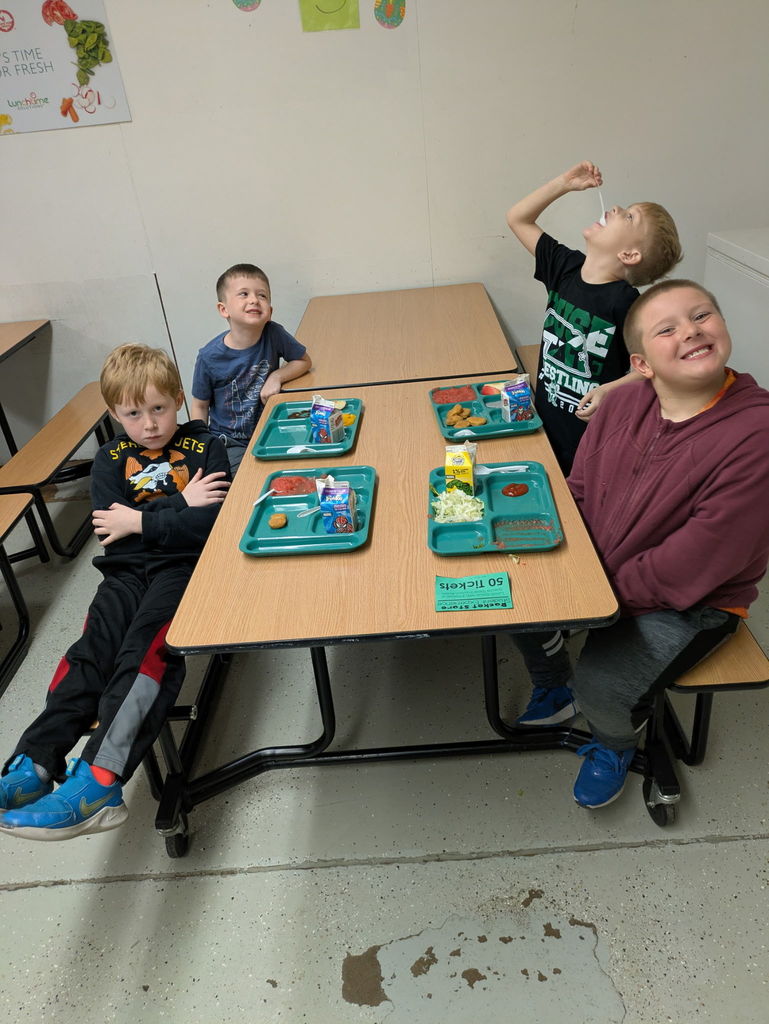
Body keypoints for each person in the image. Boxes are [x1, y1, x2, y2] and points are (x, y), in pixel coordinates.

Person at [514, 280, 769, 808]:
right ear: (642, 363)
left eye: (703, 315)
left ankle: (615, 742)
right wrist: (553, 564)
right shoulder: (622, 402)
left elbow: (698, 563)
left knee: (603, 687)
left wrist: (591, 602)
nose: (692, 330)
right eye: (667, 328)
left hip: (696, 602)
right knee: (515, 591)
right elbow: (580, 488)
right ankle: (552, 682)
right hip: (602, 571)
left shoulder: (756, 432)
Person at [0, 344, 231, 840]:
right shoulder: (109, 458)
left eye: (159, 408)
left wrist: (141, 519)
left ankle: (100, 781)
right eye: (133, 413)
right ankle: (33, 763)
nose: (149, 424)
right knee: (88, 657)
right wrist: (180, 504)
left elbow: (210, 525)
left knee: (142, 658)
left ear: (178, 402)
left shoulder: (206, 446)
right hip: (123, 575)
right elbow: (110, 530)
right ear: (114, 414)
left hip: (180, 573)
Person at [506, 160, 682, 474]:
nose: (614, 208)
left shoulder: (626, 302)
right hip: (546, 422)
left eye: (628, 216)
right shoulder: (565, 267)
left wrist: (608, 390)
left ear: (629, 255)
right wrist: (564, 183)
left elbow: (653, 367)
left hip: (592, 441)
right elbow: (518, 218)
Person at [191, 263, 312, 472]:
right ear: (223, 309)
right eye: (244, 294)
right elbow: (200, 406)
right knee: (245, 480)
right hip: (230, 441)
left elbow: (303, 361)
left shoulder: (273, 334)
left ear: (270, 311)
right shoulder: (209, 357)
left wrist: (277, 376)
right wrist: (200, 449)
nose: (254, 300)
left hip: (271, 428)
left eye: (262, 296)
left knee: (303, 460)